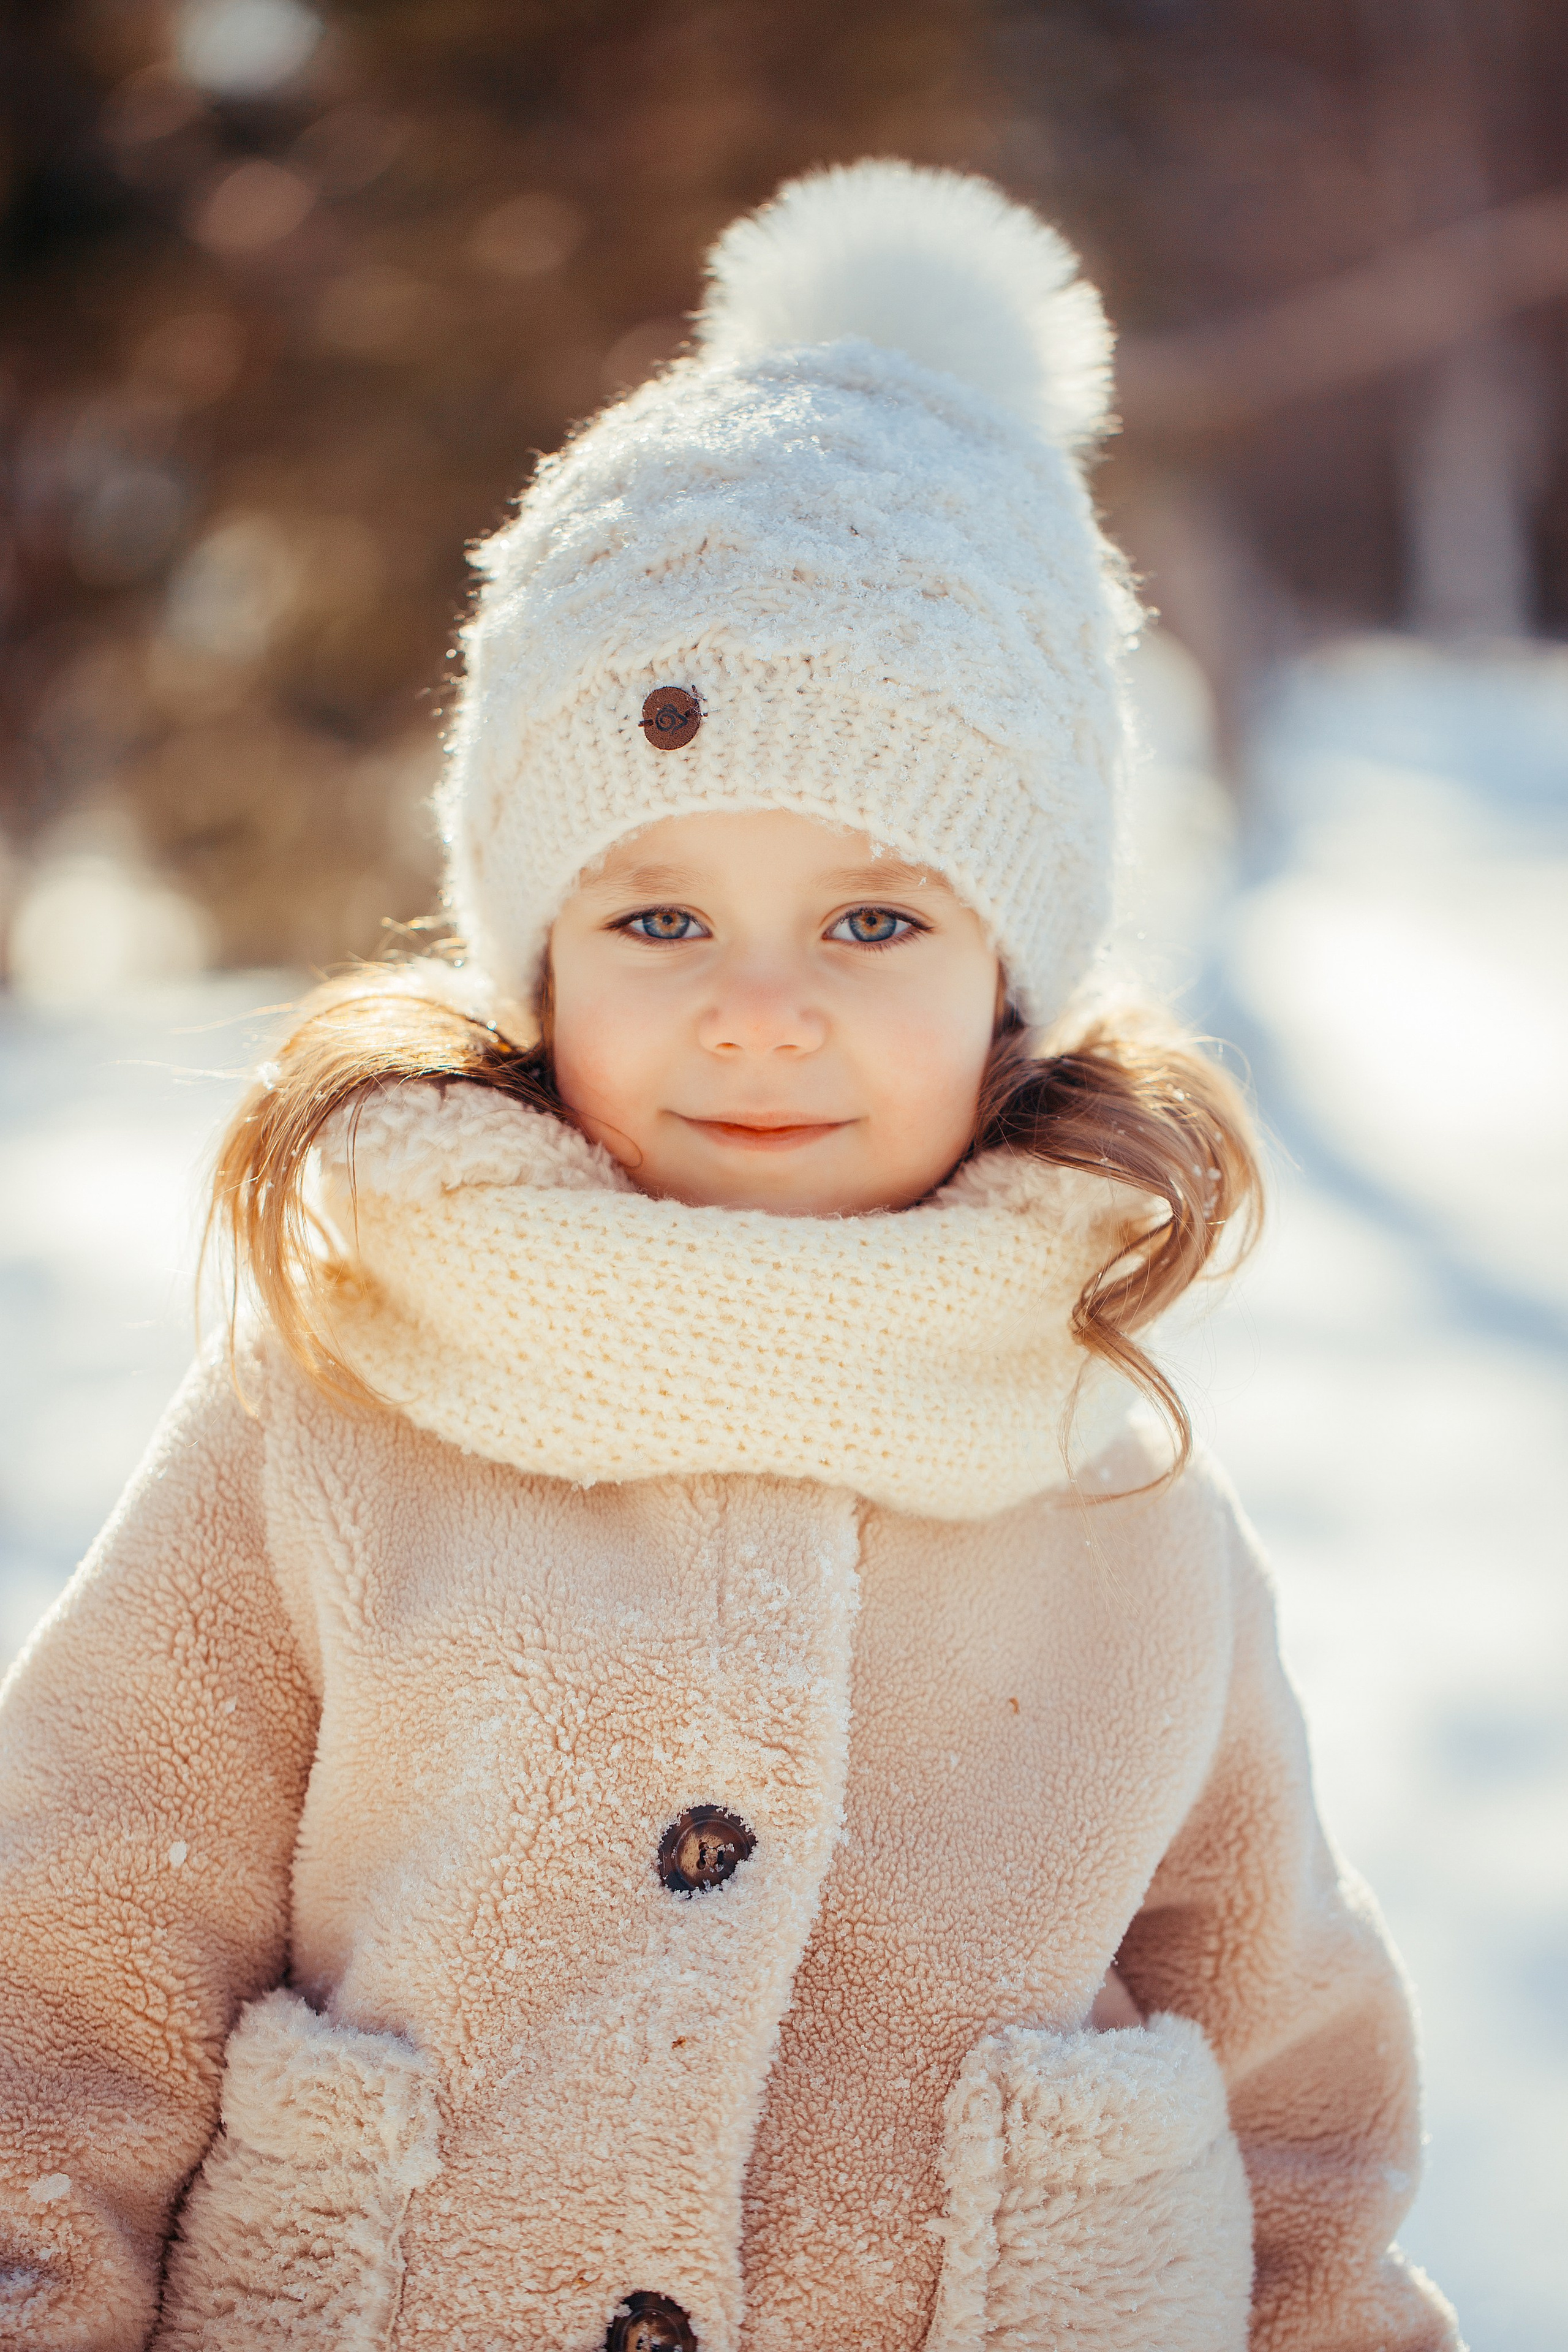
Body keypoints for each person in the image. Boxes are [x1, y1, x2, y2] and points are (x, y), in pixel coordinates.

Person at [0, 163, 1458, 2352]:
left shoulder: (1108, 1479)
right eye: (658, 917)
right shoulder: (345, 1403)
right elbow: (77, 1949)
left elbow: (1287, 2047)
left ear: (1011, 980)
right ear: (534, 957)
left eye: (873, 921)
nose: (757, 1010)